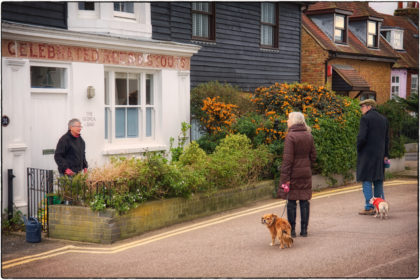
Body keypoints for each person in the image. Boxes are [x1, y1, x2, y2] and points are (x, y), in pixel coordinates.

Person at [281, 112, 317, 237]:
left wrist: (285, 178)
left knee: (291, 202)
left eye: (288, 119)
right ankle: (304, 230)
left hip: (293, 174)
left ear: (294, 121)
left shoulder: (290, 137)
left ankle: (292, 231)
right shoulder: (309, 135)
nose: (287, 121)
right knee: (304, 201)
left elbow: (287, 160)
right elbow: (313, 156)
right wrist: (306, 165)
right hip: (305, 172)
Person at [357, 99, 389, 215]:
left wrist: (359, 148)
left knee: (366, 180)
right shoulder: (383, 119)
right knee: (378, 180)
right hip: (380, 155)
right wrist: (386, 154)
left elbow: (362, 137)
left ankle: (369, 206)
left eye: (363, 106)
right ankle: (378, 205)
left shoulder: (365, 119)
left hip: (367, 154)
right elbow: (386, 139)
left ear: (369, 107)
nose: (361, 109)